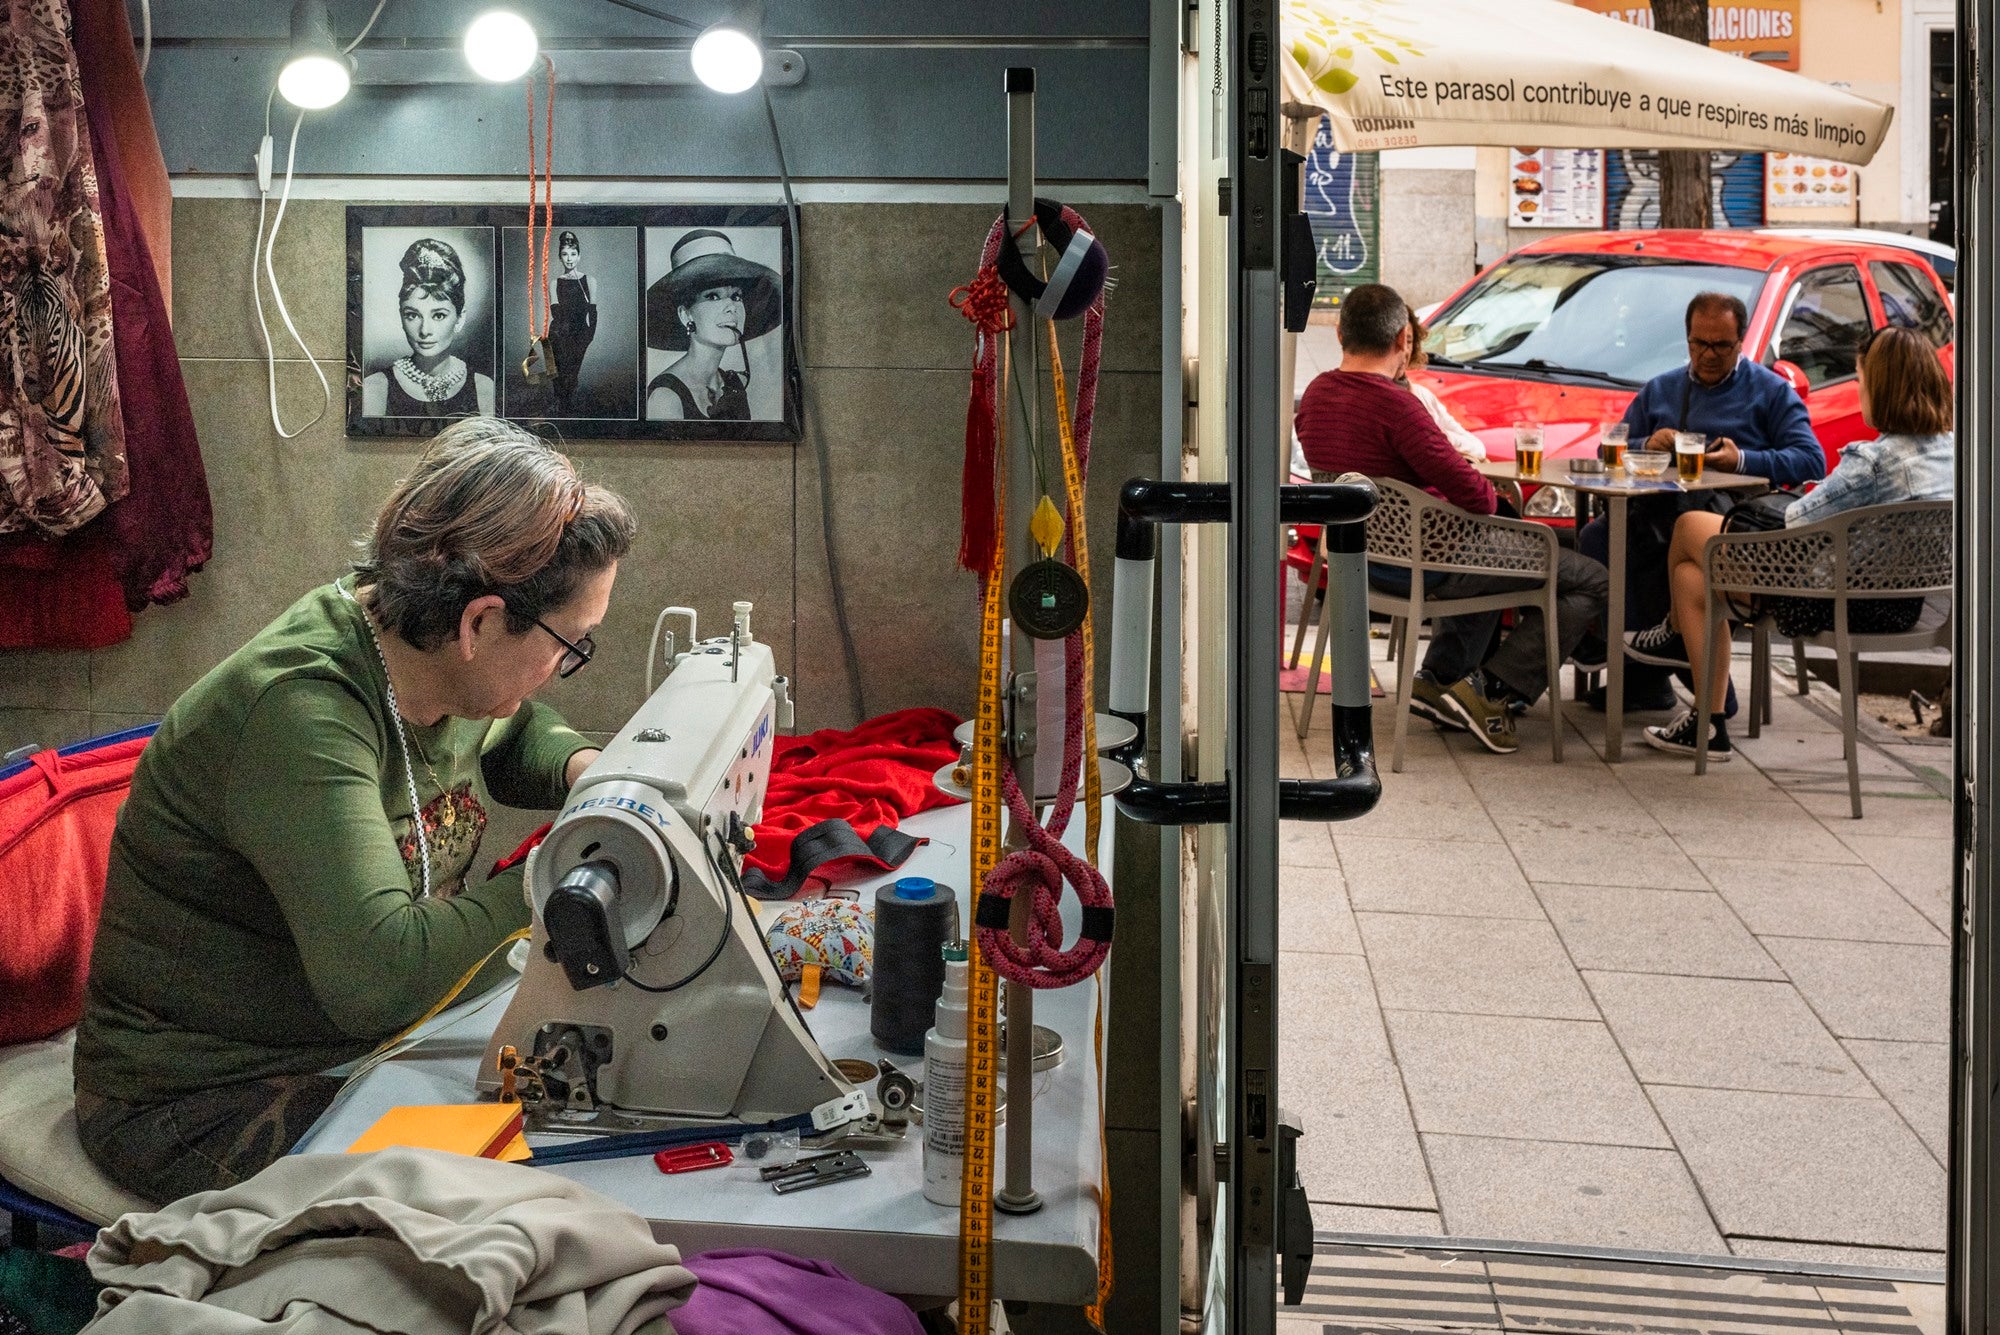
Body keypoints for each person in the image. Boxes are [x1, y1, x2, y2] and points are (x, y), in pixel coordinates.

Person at [73, 419, 636, 1203]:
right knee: (518, 1201)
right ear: (479, 623)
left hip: (346, 1045)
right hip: (193, 1100)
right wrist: (573, 872)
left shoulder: (427, 648)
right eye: (568, 645)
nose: (564, 668)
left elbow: (509, 724)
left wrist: (587, 770)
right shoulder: (302, 710)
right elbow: (384, 972)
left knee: (593, 1129)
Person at [1297, 283, 1608, 755]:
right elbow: (1476, 495)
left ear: (1339, 334)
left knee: (1489, 552)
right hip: (1426, 565)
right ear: (1404, 339)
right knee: (1590, 579)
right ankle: (1491, 691)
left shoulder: (1316, 396)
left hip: (1359, 558)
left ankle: (1438, 680)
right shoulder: (1399, 406)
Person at [1634, 325, 1953, 759]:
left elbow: (1794, 522)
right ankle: (1709, 727)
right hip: (1915, 607)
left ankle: (1675, 635)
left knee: (1690, 525)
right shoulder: (1957, 454)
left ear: (1881, 386)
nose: (1859, 391)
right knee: (1693, 579)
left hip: (1835, 602)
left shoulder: (1874, 462)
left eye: (1860, 380)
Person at [1576, 290, 1827, 711]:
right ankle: (1644, 671)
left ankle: (1676, 683)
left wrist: (1742, 460)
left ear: (1741, 341)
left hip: (1728, 521)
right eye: (1699, 344)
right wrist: (1646, 444)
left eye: (1721, 346)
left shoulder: (1770, 392)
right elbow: (1612, 450)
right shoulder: (1662, 389)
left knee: (1662, 548)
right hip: (1655, 511)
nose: (1708, 355)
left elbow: (1810, 459)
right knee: (1600, 536)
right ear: (1688, 338)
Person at [644, 229, 782, 422]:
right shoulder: (666, 398)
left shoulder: (733, 384)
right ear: (685, 314)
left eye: (736, 296)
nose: (731, 307)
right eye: (712, 296)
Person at [361, 238, 497, 419]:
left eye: (439, 315)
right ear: (401, 315)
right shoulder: (375, 387)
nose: (425, 330)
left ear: (460, 318)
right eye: (413, 315)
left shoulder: (483, 387)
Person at [1399, 310, 1486, 461]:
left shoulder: (1423, 394)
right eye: (1396, 342)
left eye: (1409, 341)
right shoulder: (1396, 402)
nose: (1404, 350)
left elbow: (1477, 448)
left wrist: (1441, 436)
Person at [546, 229, 598, 415]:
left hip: (580, 334)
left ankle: (567, 411)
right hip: (558, 334)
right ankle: (562, 411)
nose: (569, 259)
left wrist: (589, 336)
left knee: (571, 375)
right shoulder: (554, 283)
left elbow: (592, 312)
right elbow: (555, 311)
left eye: (573, 254)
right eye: (565, 254)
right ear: (560, 257)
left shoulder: (589, 280)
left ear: (579, 255)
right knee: (557, 376)